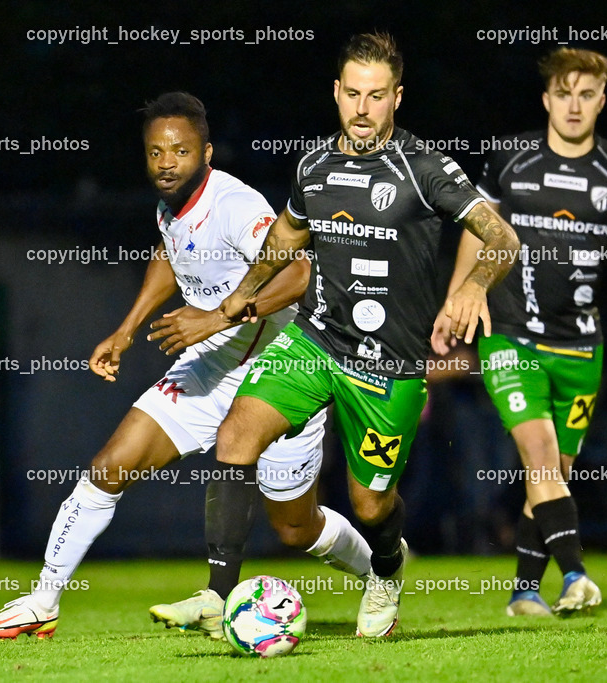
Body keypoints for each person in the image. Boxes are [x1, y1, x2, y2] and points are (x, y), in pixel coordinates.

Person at [0, 92, 367, 640]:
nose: (166, 162)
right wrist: (126, 329)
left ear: (206, 153)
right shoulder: (170, 203)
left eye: (180, 151)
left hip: (280, 368)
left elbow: (301, 272)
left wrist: (219, 315)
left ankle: (379, 570)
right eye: (156, 152)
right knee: (110, 466)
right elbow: (169, 252)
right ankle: (44, 599)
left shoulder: (235, 205)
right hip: (211, 367)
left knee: (295, 527)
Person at [206, 32, 519, 638]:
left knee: (370, 505)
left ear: (397, 98)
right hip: (316, 341)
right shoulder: (315, 165)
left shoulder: (424, 167)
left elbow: (500, 235)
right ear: (336, 91)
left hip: (390, 366)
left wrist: (475, 285)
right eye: (352, 93)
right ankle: (218, 598)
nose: (362, 108)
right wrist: (247, 290)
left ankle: (387, 563)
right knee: (237, 431)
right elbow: (288, 234)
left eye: (377, 96)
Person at [436, 47, 607, 616]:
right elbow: (474, 233)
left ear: (601, 100)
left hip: (581, 345)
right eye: (564, 94)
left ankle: (524, 591)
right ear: (546, 99)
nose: (574, 106)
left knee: (554, 473)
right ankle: (577, 574)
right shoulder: (509, 160)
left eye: (586, 95)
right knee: (538, 454)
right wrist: (460, 298)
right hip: (510, 335)